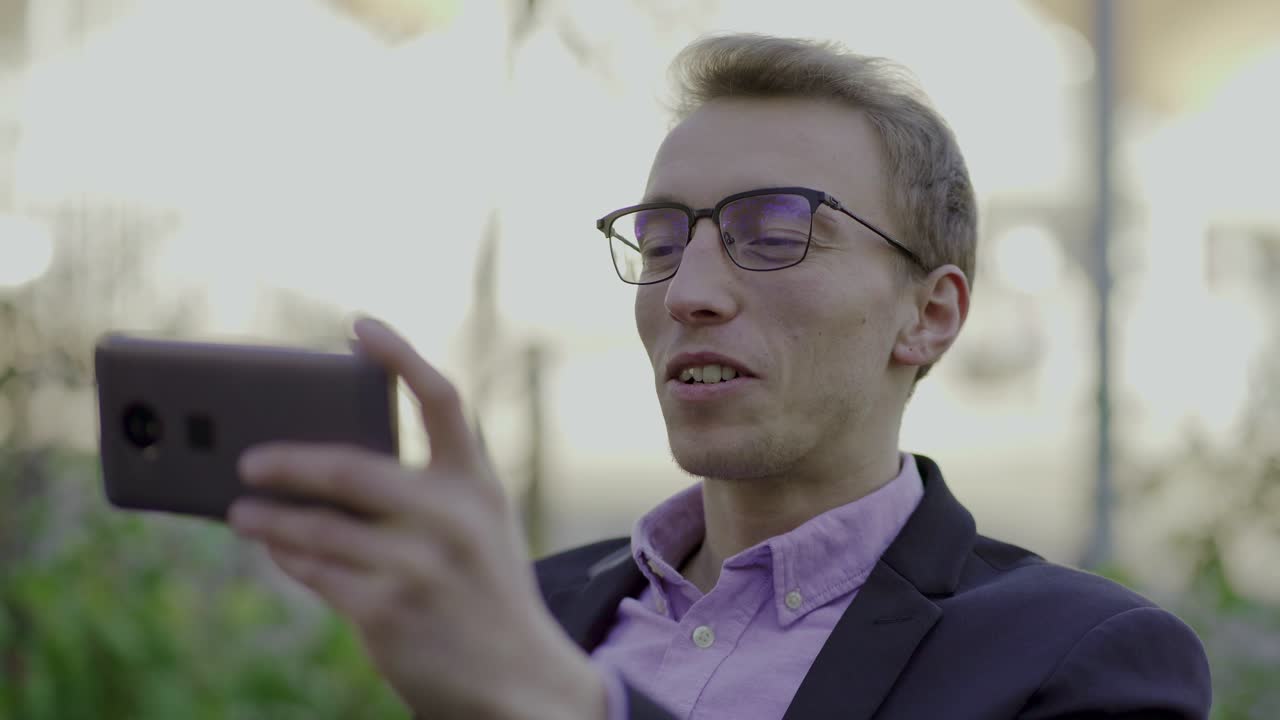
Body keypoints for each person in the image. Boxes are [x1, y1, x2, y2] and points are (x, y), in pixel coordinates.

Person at [226, 33, 1212, 719]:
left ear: (930, 313)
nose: (687, 290)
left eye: (774, 233)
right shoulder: (526, 607)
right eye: (659, 239)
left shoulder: (1076, 658)